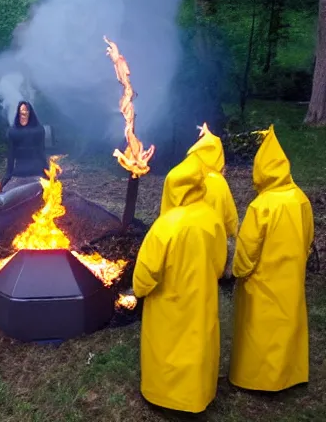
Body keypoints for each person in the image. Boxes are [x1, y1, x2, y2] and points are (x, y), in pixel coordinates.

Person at [133, 154, 227, 413]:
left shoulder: (166, 225)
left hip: (169, 302)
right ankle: (198, 395)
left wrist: (139, 292)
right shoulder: (211, 217)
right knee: (198, 345)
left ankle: (166, 397)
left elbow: (145, 273)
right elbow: (220, 263)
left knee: (169, 347)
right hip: (202, 298)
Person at [229, 124, 314, 391]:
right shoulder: (300, 198)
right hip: (291, 275)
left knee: (260, 331)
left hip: (262, 280)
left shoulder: (262, 205)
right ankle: (289, 375)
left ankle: (258, 379)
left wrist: (239, 272)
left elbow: (248, 248)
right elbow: (309, 236)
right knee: (288, 324)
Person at [186, 123, 238, 239]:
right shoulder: (220, 182)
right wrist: (232, 230)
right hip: (215, 238)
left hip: (189, 236)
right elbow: (230, 215)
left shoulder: (188, 177)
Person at [0, 101, 48, 192]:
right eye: (21, 112)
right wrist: (8, 175)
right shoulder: (13, 132)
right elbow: (11, 155)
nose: (23, 115)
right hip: (19, 172)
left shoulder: (39, 130)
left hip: (36, 171)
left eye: (25, 111)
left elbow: (41, 151)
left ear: (30, 113)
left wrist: (46, 171)